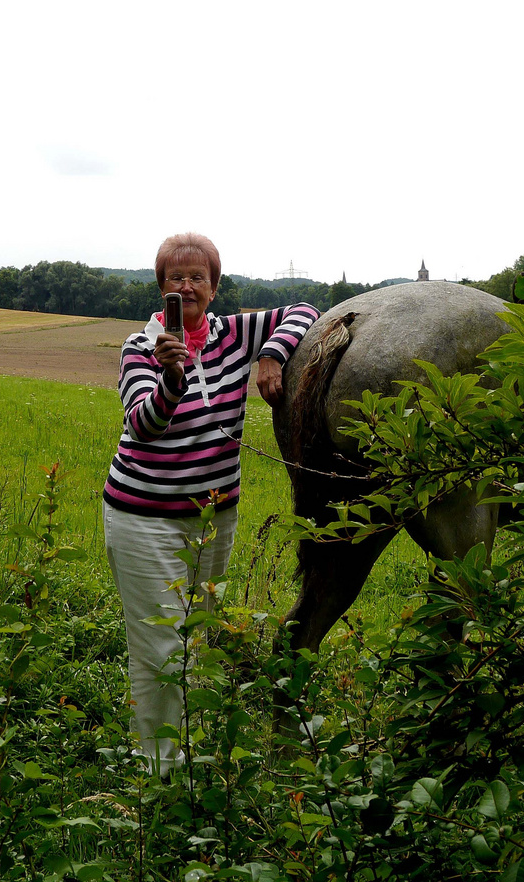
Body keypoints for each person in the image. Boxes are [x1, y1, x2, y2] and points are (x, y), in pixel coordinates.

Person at [102, 232, 319, 772]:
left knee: (193, 637)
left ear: (215, 287)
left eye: (199, 276)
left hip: (212, 521)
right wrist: (170, 378)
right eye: (176, 277)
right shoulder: (140, 346)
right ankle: (159, 772)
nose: (188, 285)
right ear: (162, 288)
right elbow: (142, 424)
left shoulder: (234, 334)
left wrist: (270, 356)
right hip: (143, 518)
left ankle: (183, 752)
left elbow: (305, 310)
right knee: (161, 648)